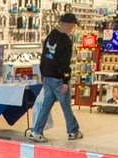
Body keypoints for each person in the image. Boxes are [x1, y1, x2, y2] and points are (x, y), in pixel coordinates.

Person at [28, 13, 83, 143]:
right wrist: (65, 80)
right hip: (59, 80)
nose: (73, 28)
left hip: (48, 77)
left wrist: (43, 74)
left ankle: (36, 131)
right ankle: (73, 131)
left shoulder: (49, 37)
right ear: (68, 24)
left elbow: (44, 57)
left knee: (45, 106)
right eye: (73, 25)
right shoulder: (65, 41)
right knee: (66, 106)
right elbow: (64, 63)